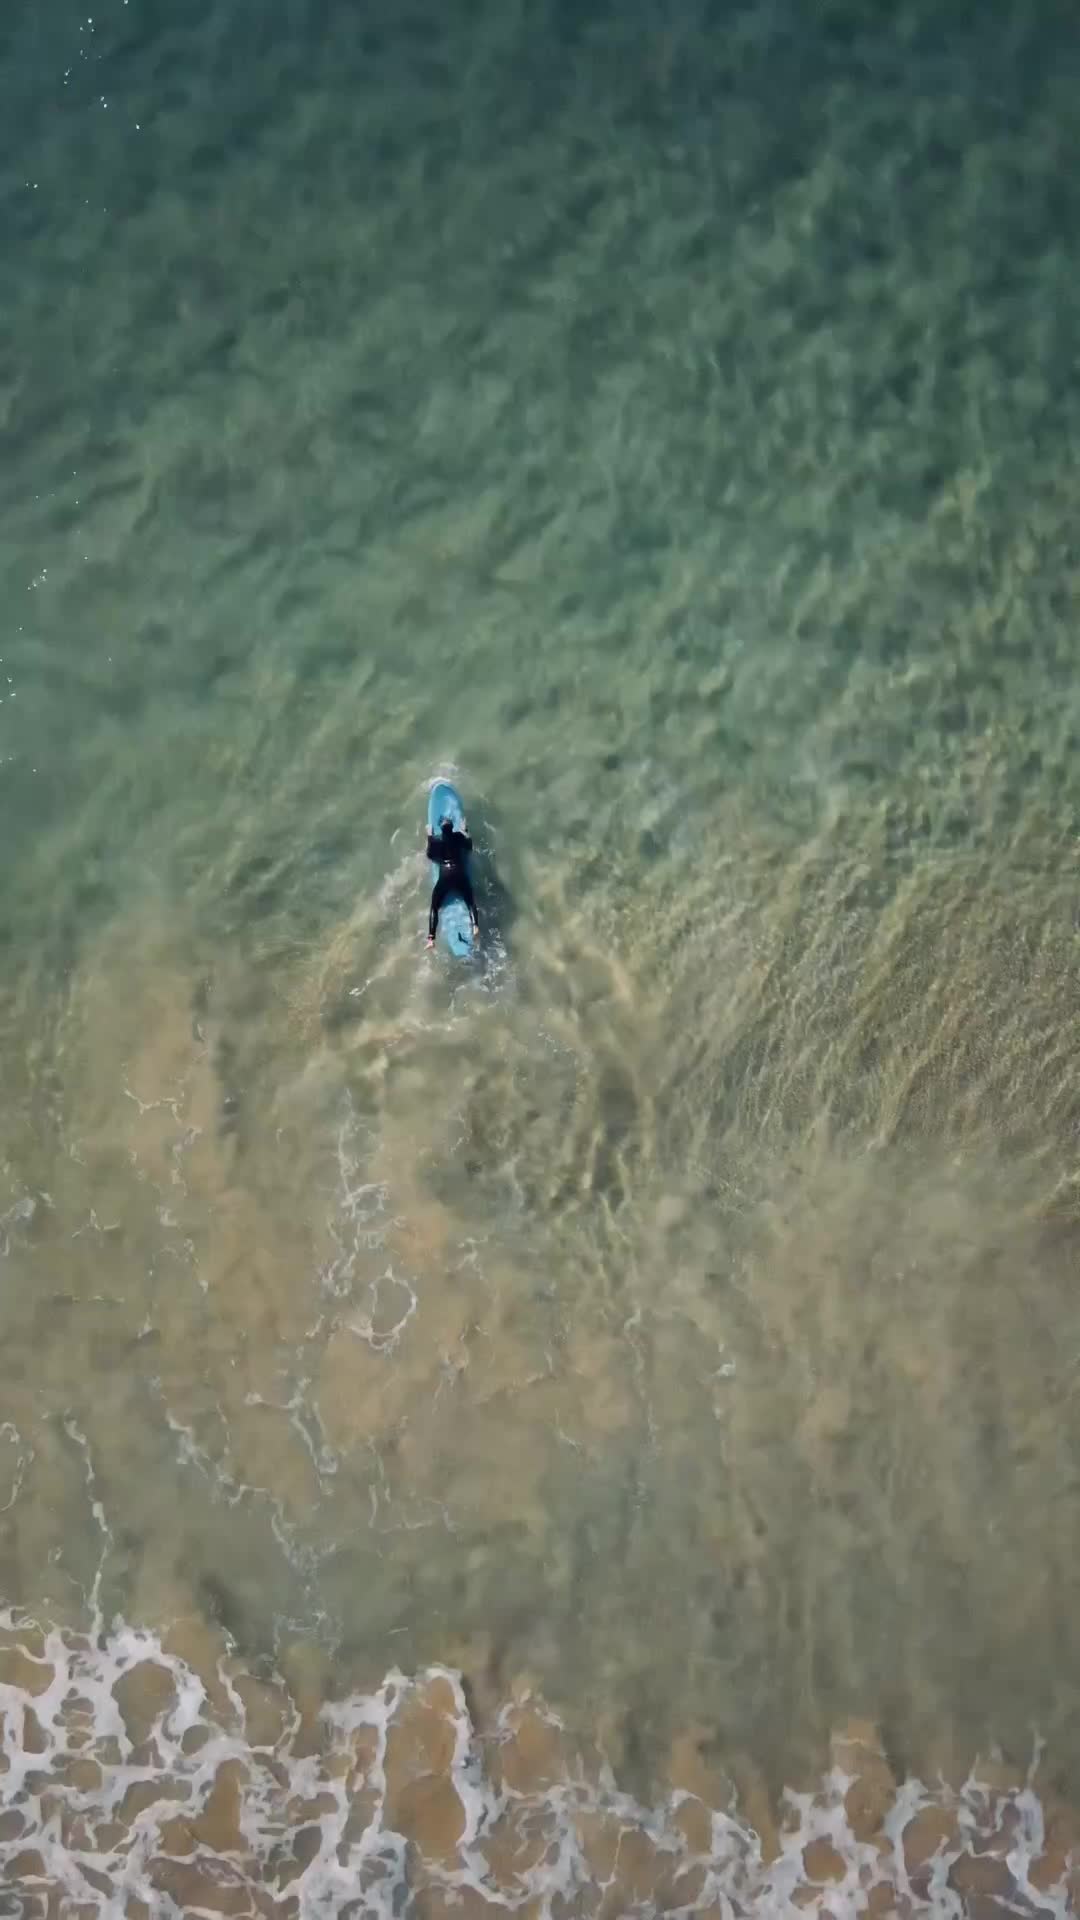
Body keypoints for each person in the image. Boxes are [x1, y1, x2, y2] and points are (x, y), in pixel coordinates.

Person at [425, 817, 480, 947]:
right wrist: (465, 829)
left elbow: (430, 855)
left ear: (442, 829)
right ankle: (475, 926)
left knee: (434, 906)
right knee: (470, 902)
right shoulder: (458, 836)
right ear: (451, 827)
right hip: (460, 874)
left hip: (445, 876)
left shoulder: (437, 841)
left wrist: (429, 835)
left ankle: (431, 938)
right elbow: (469, 846)